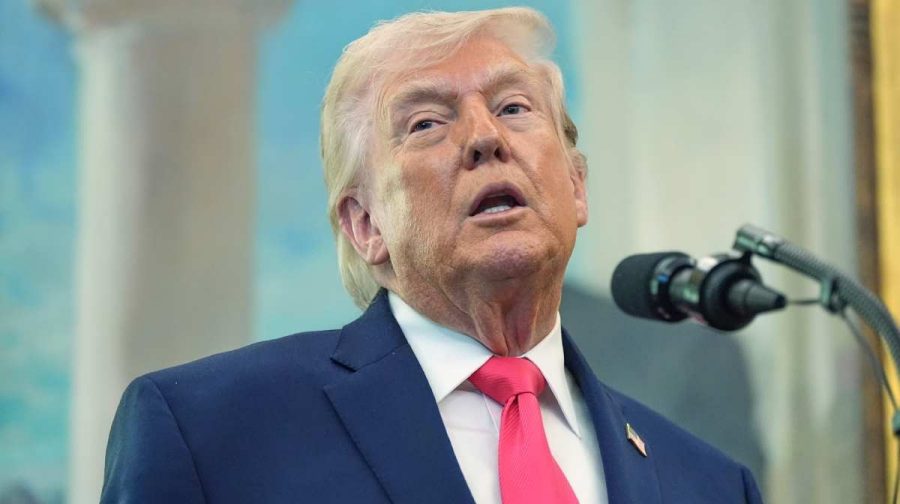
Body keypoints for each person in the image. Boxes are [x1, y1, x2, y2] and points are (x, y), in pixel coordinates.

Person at [101, 7, 763, 503]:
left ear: (577, 187)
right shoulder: (210, 432)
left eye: (513, 107)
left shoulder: (707, 483)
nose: (485, 137)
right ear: (364, 225)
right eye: (426, 123)